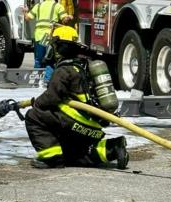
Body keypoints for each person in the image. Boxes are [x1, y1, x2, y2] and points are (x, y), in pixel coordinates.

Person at [24, 25, 128, 169]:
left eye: (54, 45)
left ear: (60, 48)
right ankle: (113, 148)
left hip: (76, 124)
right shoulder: (82, 66)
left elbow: (52, 97)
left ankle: (51, 158)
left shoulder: (64, 70)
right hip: (92, 127)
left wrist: (36, 104)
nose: (52, 49)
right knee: (73, 156)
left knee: (33, 116)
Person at [24, 0, 72, 68]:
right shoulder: (58, 6)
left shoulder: (38, 5)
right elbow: (64, 20)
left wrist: (25, 11)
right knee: (49, 60)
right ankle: (47, 80)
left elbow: (27, 18)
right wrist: (69, 17)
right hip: (50, 37)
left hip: (38, 36)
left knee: (38, 59)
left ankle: (37, 78)